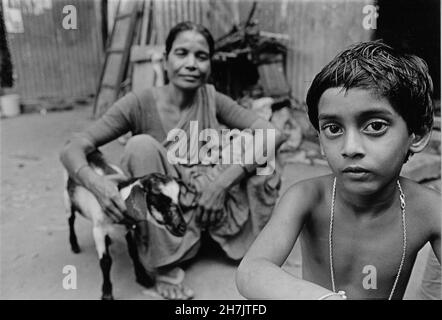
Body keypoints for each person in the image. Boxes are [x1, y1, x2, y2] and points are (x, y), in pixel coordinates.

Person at [60, 21, 286, 300]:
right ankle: (163, 262)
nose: (191, 64)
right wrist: (97, 185)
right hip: (169, 215)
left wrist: (221, 185)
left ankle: (247, 242)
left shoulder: (212, 98)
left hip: (212, 203)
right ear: (164, 59)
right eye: (181, 53)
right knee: (140, 147)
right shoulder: (138, 103)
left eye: (201, 56)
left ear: (209, 65)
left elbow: (273, 134)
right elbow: (73, 148)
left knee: (265, 153)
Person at [236, 41, 441, 300]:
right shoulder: (306, 196)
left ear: (418, 134)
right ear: (320, 140)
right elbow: (252, 270)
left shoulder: (431, 209)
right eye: (333, 129)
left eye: (375, 125)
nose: (350, 147)